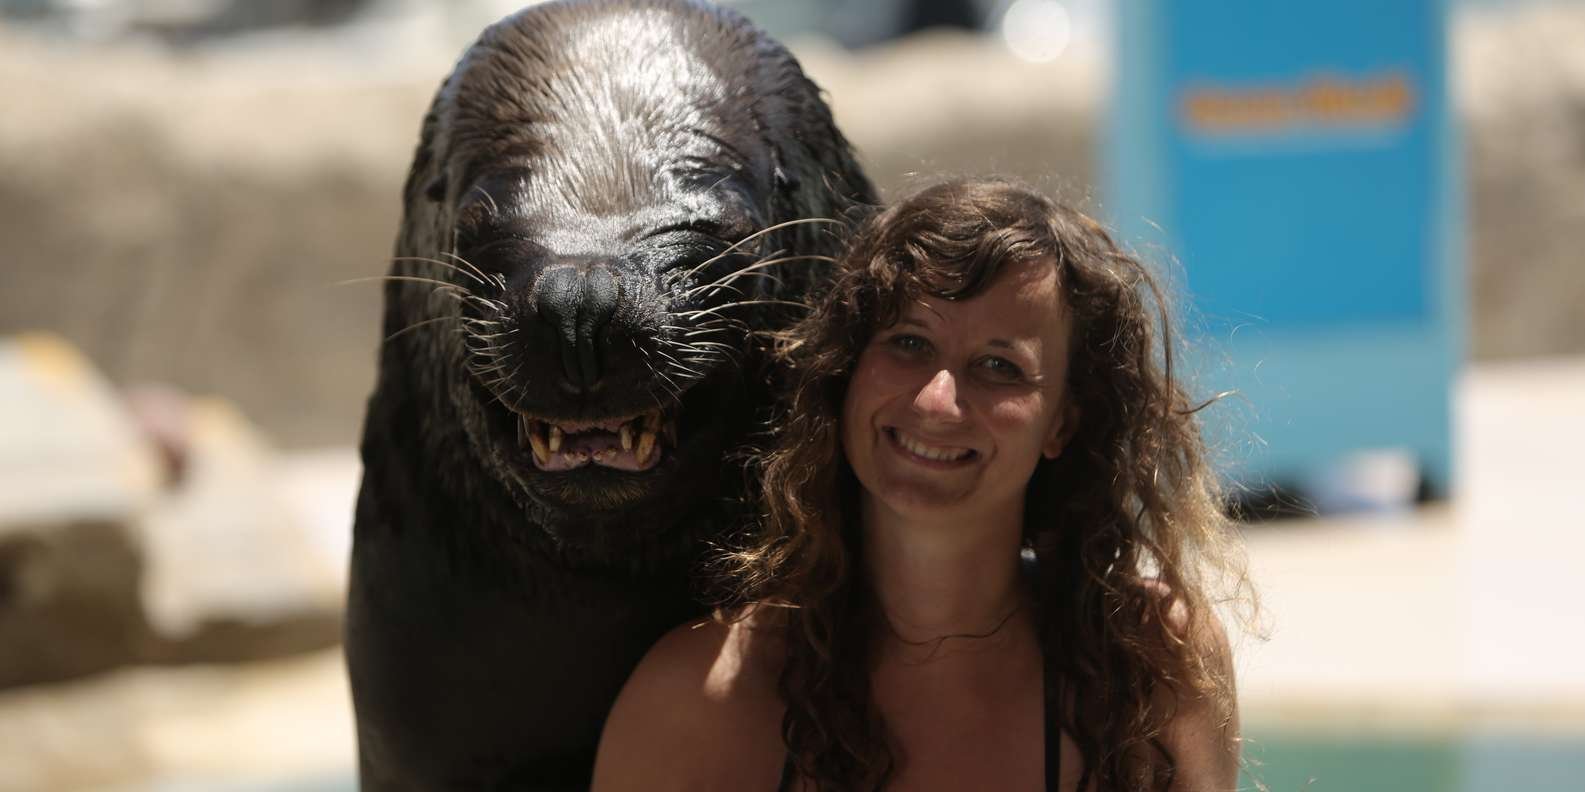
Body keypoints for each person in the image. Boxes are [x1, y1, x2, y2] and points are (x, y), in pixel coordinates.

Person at [592, 178, 1250, 791]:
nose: (937, 401)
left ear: (1061, 423)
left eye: (998, 366)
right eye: (909, 343)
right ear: (846, 370)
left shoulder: (1150, 662)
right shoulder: (702, 700)